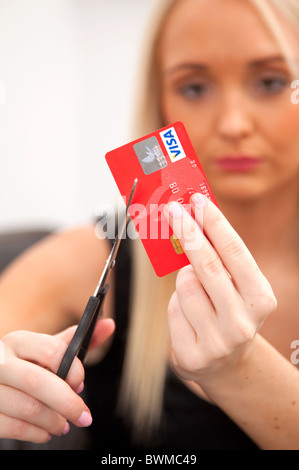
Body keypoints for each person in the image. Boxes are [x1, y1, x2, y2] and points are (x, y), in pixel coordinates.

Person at [1, 0, 299, 450]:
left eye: (271, 82)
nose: (234, 123)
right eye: (195, 88)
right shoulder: (93, 255)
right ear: (159, 100)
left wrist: (241, 368)